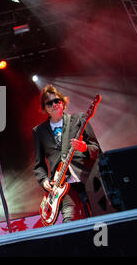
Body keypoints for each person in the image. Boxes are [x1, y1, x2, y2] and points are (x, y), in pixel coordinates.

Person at [32, 85, 101, 223]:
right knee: (70, 221)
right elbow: (38, 165)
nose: (54, 104)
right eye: (49, 103)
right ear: (45, 108)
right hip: (63, 185)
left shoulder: (79, 119)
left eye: (57, 101)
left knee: (101, 219)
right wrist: (44, 180)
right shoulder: (39, 131)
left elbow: (96, 148)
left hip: (88, 177)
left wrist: (84, 148)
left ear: (63, 102)